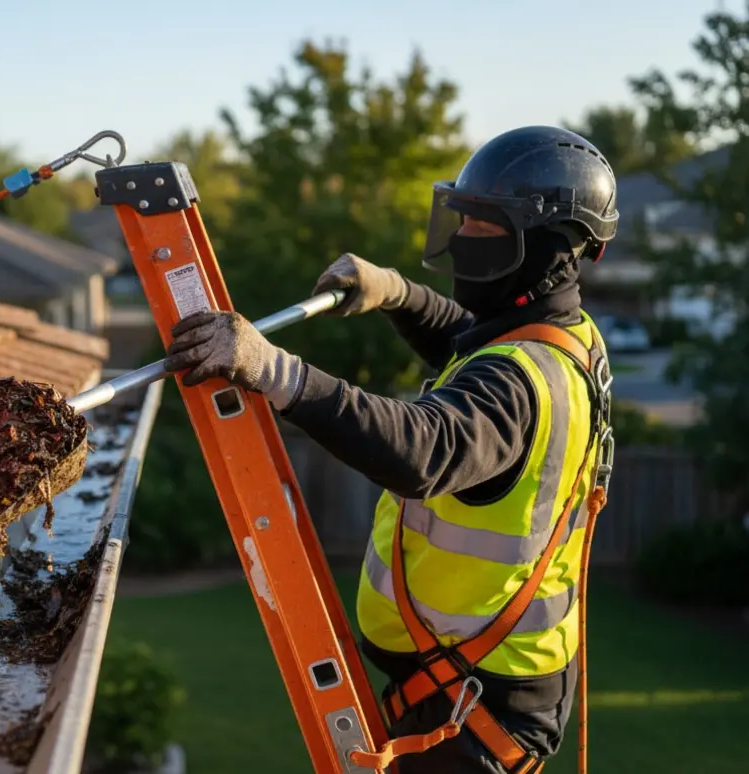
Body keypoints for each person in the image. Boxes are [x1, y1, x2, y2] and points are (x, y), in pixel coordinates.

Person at [162, 124, 618, 774]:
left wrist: (274, 370)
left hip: (475, 709)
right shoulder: (564, 340)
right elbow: (471, 341)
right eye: (462, 219)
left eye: (484, 229)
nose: (462, 240)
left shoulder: (517, 383)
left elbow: (423, 450)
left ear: (545, 249)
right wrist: (398, 295)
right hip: (468, 683)